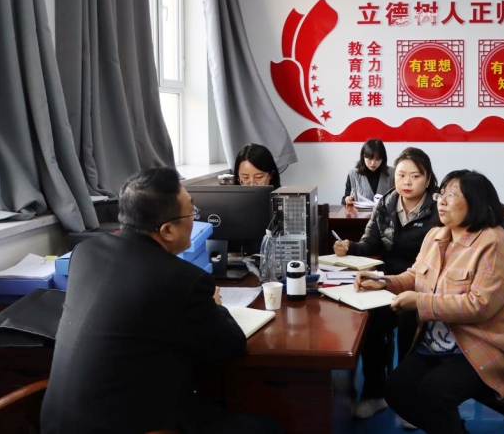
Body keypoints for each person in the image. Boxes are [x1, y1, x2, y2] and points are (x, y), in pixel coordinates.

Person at [41, 167, 282, 434]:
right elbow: (232, 345)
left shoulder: (86, 253)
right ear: (167, 230)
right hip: (135, 426)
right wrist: (216, 305)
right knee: (268, 426)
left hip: (55, 425)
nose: (195, 219)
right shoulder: (182, 280)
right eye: (192, 212)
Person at [357, 170, 504, 434]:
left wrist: (420, 302)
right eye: (441, 193)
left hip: (485, 343)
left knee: (434, 393)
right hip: (441, 343)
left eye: (452, 195)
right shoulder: (436, 235)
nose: (441, 201)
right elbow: (415, 275)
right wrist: (384, 282)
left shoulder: (494, 241)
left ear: (475, 202)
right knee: (396, 389)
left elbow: (479, 306)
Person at [333, 147, 439, 422]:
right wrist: (349, 246)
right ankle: (375, 393)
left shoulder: (438, 209)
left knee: (409, 322)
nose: (407, 182)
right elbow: (370, 243)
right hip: (387, 281)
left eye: (415, 176)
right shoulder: (387, 203)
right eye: (401, 175)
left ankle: (409, 399)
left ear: (428, 179)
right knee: (367, 319)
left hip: (425, 285)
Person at [342, 138, 394, 205]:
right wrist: (347, 200)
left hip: (385, 212)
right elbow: (345, 198)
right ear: (363, 157)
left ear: (383, 159)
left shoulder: (392, 173)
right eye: (370, 158)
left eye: (377, 159)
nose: (373, 163)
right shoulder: (353, 174)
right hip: (360, 211)